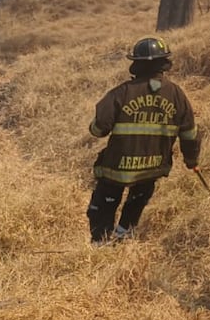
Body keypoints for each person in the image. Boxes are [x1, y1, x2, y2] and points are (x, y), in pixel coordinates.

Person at [86, 37, 201, 244]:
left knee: (102, 208)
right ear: (164, 63)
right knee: (137, 202)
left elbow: (99, 129)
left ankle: (101, 246)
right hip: (152, 167)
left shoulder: (121, 92)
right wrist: (191, 161)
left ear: (136, 63)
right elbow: (190, 133)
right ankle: (124, 238)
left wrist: (93, 127)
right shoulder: (177, 94)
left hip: (117, 168)